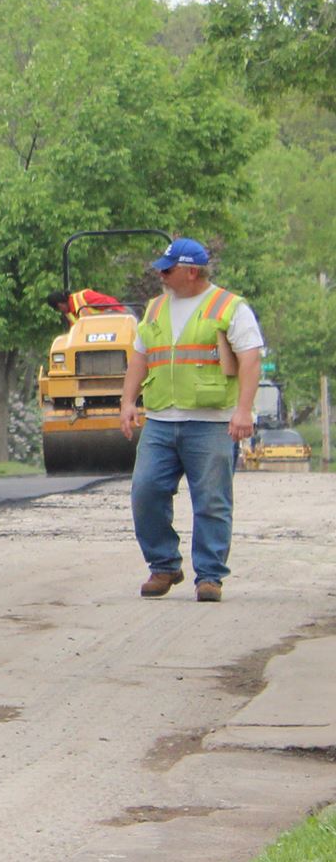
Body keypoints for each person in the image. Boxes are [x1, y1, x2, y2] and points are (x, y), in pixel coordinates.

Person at [119, 237, 264, 602]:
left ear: (192, 271)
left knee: (212, 502)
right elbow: (139, 357)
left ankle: (210, 576)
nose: (161, 274)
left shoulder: (229, 307)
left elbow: (250, 358)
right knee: (145, 491)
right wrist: (127, 402)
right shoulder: (154, 309)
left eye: (168, 269)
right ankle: (164, 564)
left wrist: (243, 411)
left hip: (212, 421)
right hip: (162, 418)